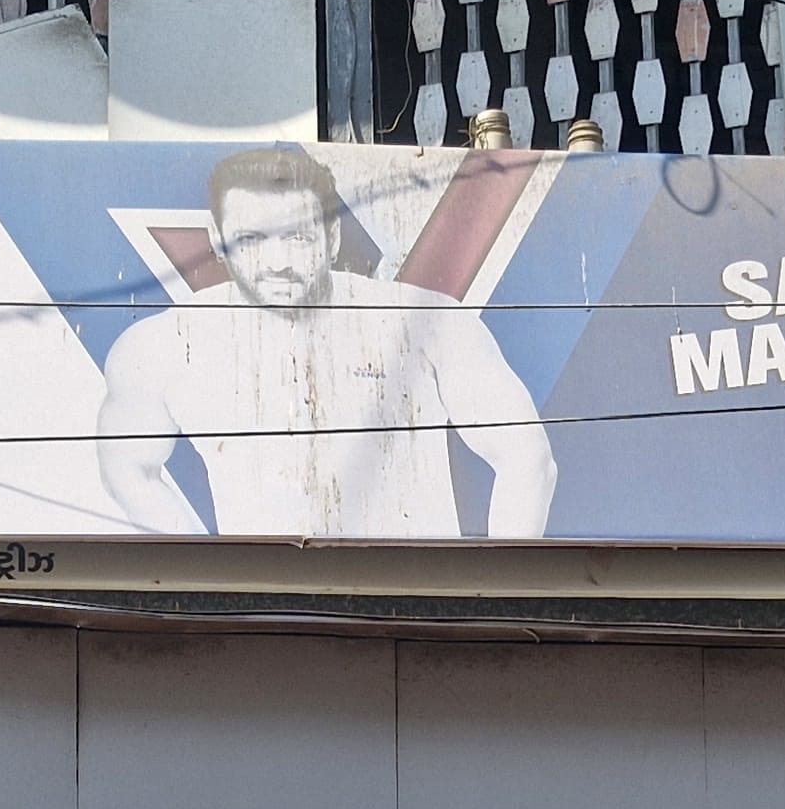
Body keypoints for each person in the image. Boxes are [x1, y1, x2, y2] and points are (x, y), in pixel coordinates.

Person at [93, 143, 556, 539]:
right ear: (216, 239)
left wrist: (489, 597)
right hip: (267, 620)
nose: (277, 262)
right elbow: (128, 469)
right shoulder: (164, 345)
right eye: (251, 240)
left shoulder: (425, 321)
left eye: (297, 237)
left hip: (415, 612)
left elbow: (528, 458)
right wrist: (206, 579)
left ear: (331, 236)